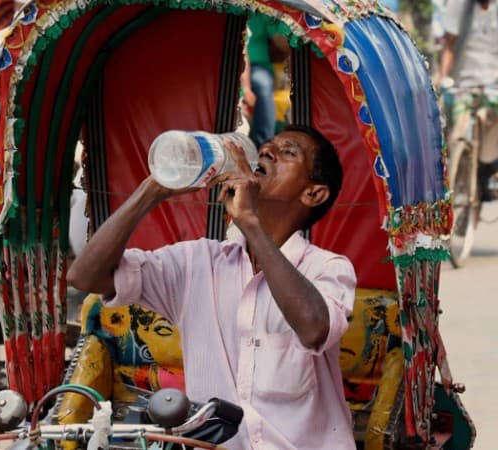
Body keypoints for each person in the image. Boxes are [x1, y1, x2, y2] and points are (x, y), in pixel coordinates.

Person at [68, 125, 356, 449]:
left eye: (288, 152)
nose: (266, 153)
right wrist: (155, 188)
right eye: (265, 148)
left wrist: (250, 223)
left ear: (313, 194)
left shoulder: (328, 268)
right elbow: (85, 276)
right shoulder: (197, 262)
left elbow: (314, 328)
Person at [439, 0, 498, 200]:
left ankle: (487, 173)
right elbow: (449, 45)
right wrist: (441, 79)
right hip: (463, 83)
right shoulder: (458, 5)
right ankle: (453, 179)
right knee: (457, 135)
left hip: (493, 86)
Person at [246, 14, 290, 147]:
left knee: (262, 84)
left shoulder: (260, 12)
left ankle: (263, 144)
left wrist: (276, 21)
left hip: (258, 67)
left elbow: (285, 45)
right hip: (232, 64)